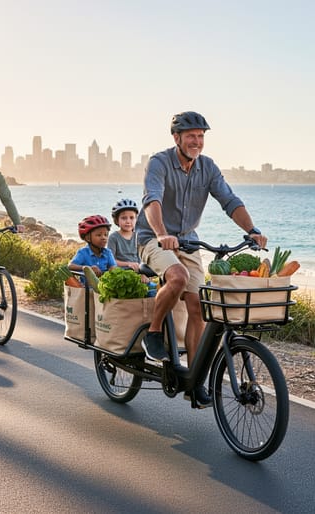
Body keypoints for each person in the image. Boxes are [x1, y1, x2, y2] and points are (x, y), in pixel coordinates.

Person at [135, 111, 268, 409]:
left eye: (201, 136)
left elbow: (229, 201)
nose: (197, 141)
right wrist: (162, 234)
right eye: (191, 136)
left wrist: (252, 230)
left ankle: (194, 381)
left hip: (189, 241)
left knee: (199, 306)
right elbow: (151, 201)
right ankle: (154, 333)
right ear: (177, 138)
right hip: (153, 238)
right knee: (178, 277)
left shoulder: (207, 168)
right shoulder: (159, 163)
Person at [68, 215, 117, 283]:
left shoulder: (108, 253)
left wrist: (113, 270)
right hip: (87, 290)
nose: (103, 238)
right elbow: (70, 266)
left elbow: (113, 266)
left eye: (106, 235)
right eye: (99, 235)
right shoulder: (83, 253)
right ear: (88, 238)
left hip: (105, 288)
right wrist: (86, 268)